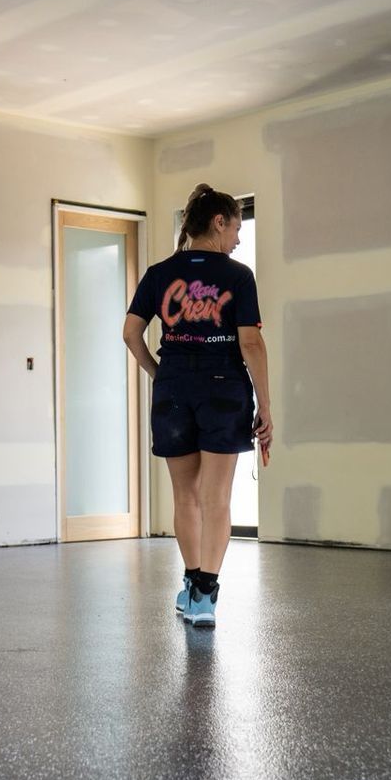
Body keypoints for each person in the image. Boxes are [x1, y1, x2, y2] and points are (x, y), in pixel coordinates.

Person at [121, 183, 272, 628]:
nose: (239, 239)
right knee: (217, 497)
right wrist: (266, 405)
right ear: (218, 222)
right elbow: (252, 343)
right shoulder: (238, 276)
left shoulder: (158, 272)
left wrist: (158, 374)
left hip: (173, 389)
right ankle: (206, 595)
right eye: (236, 228)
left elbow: (131, 333)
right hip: (224, 390)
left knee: (185, 495)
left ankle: (190, 587)